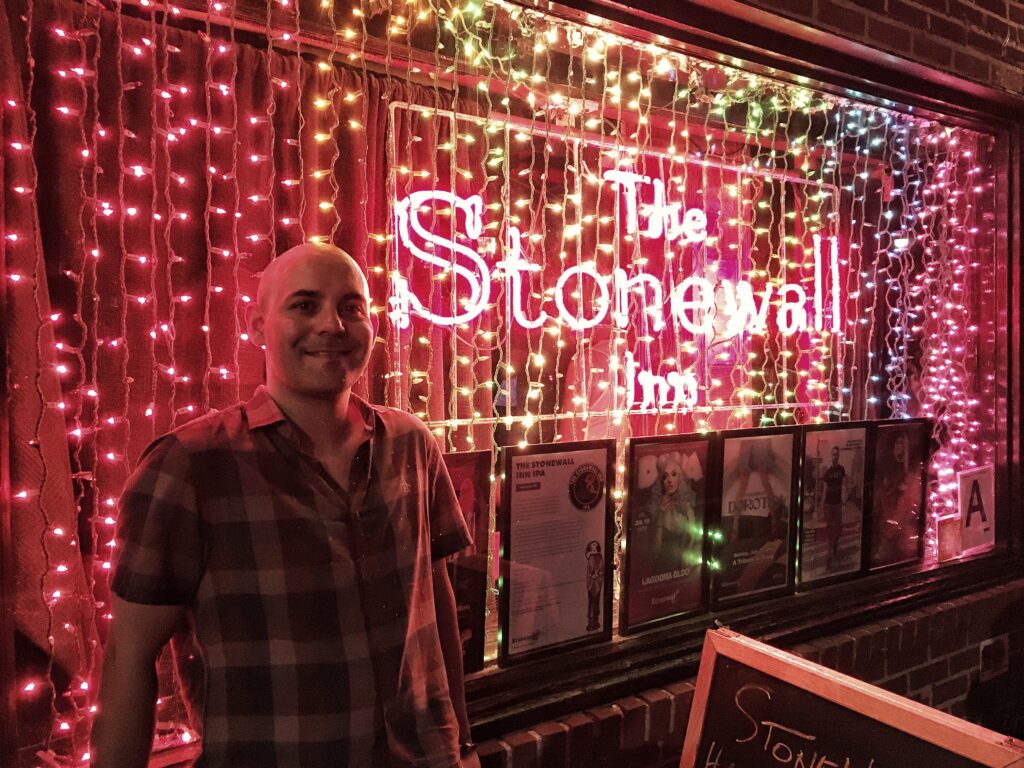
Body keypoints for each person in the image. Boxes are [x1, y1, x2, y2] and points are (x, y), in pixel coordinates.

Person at [92, 243, 479, 768]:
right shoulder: (189, 467)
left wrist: (462, 746)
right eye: (304, 305)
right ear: (257, 327)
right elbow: (129, 658)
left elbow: (434, 607)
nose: (332, 325)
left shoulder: (411, 444)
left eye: (351, 306)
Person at [647, 453, 697, 574]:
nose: (669, 480)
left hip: (682, 569)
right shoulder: (656, 509)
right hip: (660, 571)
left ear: (680, 478)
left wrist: (686, 563)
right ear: (661, 482)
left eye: (674, 474)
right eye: (665, 477)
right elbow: (654, 552)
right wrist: (661, 512)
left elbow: (693, 538)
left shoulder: (686, 508)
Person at [818, 445, 847, 569]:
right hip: (828, 505)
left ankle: (835, 545)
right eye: (833, 454)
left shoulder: (841, 469)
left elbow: (844, 485)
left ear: (838, 456)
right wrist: (821, 506)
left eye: (836, 454)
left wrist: (844, 498)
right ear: (831, 456)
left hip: (838, 504)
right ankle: (829, 556)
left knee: (839, 529)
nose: (835, 456)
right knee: (830, 531)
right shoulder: (828, 472)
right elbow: (824, 490)